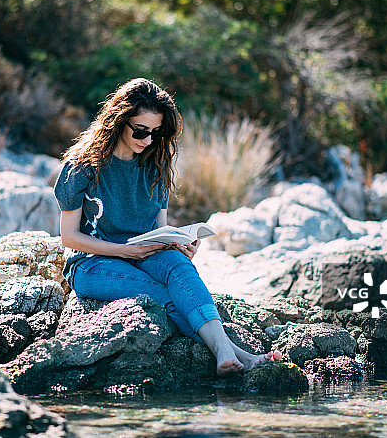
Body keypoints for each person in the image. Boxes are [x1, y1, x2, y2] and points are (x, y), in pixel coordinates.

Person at [53, 77, 278, 375]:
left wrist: (178, 244)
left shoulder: (155, 162)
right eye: (141, 131)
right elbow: (69, 237)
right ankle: (234, 352)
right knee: (162, 294)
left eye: (155, 134)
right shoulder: (82, 166)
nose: (147, 140)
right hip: (93, 264)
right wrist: (124, 251)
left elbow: (159, 228)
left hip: (145, 254)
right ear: (118, 121)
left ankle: (228, 352)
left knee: (180, 268)